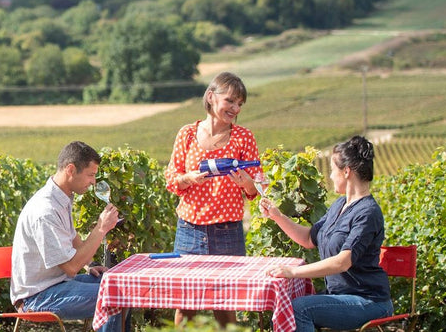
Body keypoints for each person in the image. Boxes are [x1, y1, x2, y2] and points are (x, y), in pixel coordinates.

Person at [259, 135, 393, 332]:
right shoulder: (340, 205)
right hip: (342, 296)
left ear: (346, 171)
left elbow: (342, 262)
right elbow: (308, 238)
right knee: (286, 306)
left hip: (368, 301)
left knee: (298, 310)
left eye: (332, 170)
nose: (330, 176)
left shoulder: (368, 213)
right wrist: (277, 216)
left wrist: (292, 272)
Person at [163, 71, 263, 326]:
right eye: (230, 100)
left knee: (225, 306)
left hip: (227, 232)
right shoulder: (187, 134)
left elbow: (257, 187)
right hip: (189, 230)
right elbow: (171, 179)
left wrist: (246, 182)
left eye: (239, 104)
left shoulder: (244, 137)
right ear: (211, 96)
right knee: (185, 306)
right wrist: (188, 178)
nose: (235, 108)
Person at [10, 141, 123, 332]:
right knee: (115, 296)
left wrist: (90, 264)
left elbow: (71, 237)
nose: (93, 182)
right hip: (37, 297)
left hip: (58, 284)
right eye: (90, 175)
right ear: (71, 169)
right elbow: (71, 267)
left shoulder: (60, 198)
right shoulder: (45, 211)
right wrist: (101, 228)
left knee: (120, 286)